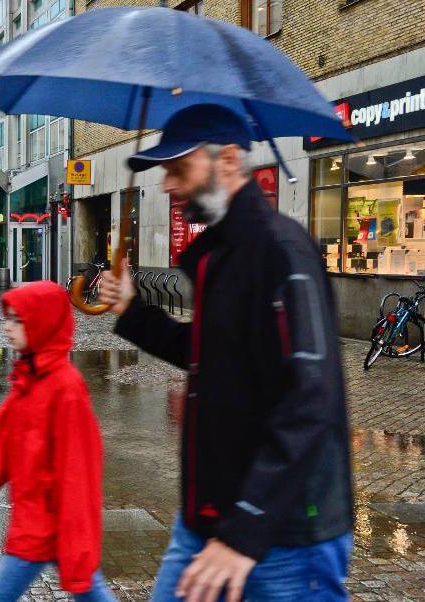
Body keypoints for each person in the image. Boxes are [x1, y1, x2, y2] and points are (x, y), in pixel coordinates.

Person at [98, 104, 353, 602]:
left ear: (230, 160)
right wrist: (132, 311)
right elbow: (207, 355)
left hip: (283, 536)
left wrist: (246, 529)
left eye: (178, 169)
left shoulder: (281, 252)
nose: (168, 185)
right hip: (208, 520)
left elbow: (311, 399)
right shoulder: (219, 257)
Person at [0, 281, 116, 601]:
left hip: (47, 526)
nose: (7, 327)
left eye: (18, 320)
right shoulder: (29, 379)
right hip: (35, 522)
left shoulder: (65, 388)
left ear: (42, 323)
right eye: (7, 318)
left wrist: (77, 541)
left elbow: (80, 471)